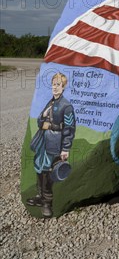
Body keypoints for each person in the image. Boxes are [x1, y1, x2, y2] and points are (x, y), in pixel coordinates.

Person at [27, 72, 76, 218]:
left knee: (48, 172)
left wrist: (65, 148)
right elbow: (39, 122)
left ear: (63, 87)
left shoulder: (66, 106)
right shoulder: (51, 102)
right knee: (40, 168)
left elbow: (70, 128)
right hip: (43, 141)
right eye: (54, 84)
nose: (55, 87)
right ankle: (40, 197)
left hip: (54, 143)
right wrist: (43, 118)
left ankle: (47, 203)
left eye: (58, 85)